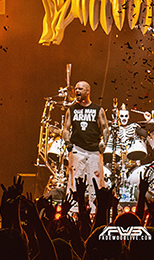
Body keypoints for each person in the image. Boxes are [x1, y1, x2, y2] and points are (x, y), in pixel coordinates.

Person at [66, 80, 109, 215]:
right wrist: (67, 142)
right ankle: (73, 211)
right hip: (77, 149)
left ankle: (95, 212)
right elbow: (66, 128)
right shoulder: (72, 109)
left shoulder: (98, 109)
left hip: (94, 150)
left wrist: (104, 142)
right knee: (75, 180)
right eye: (76, 89)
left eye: (80, 89)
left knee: (95, 181)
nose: (77, 91)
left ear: (88, 91)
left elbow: (105, 128)